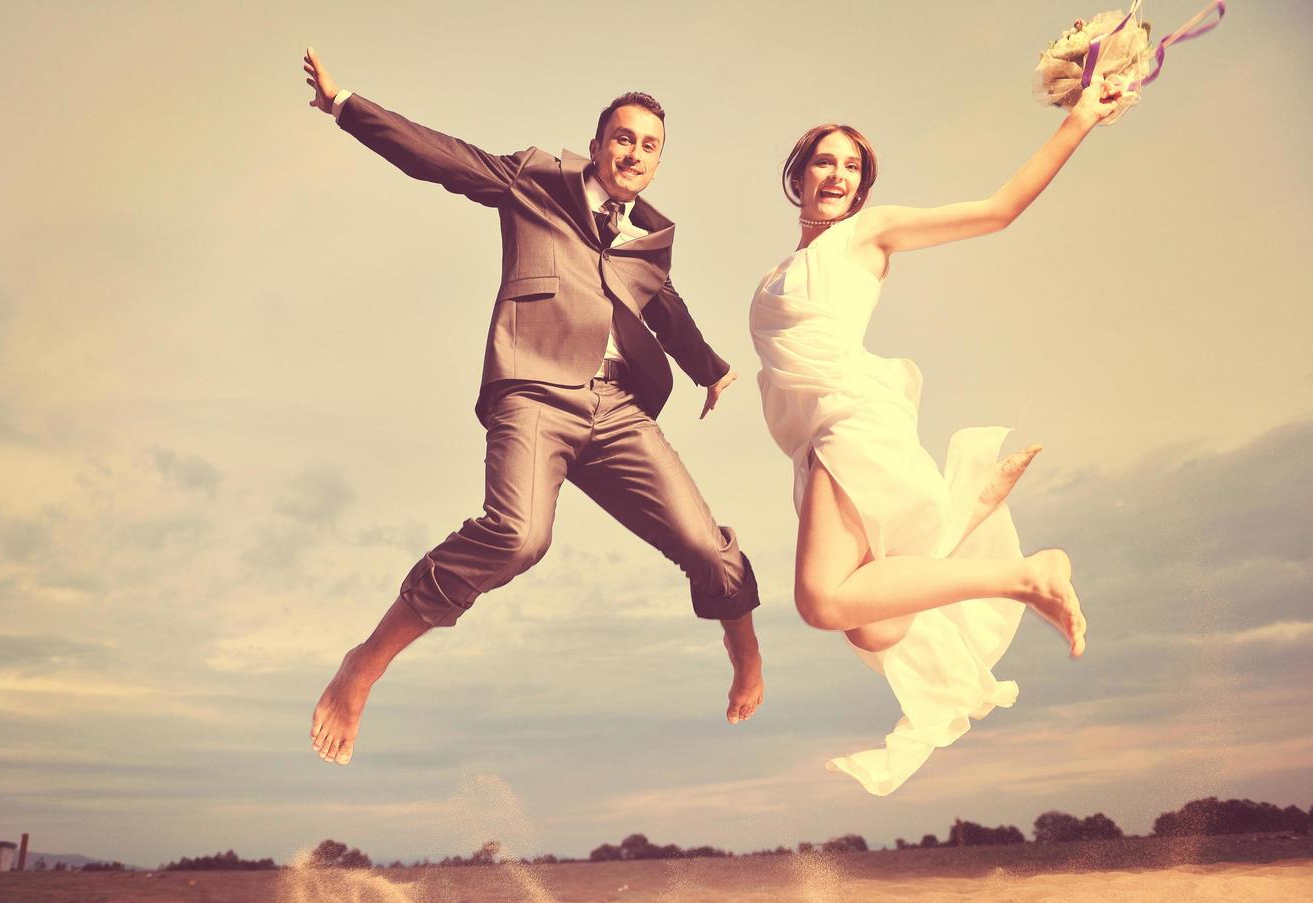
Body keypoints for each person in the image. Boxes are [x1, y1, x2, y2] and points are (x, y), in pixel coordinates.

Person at [301, 48, 764, 766]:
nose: (633, 153)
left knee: (706, 544)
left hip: (614, 408)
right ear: (599, 139)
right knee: (519, 538)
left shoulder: (653, 238)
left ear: (658, 160)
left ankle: (743, 645)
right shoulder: (536, 179)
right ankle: (365, 663)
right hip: (533, 391)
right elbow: (442, 158)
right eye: (623, 137)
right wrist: (346, 106)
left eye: (649, 146)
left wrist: (709, 368)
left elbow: (661, 306)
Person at [749, 76, 1124, 795]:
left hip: (852, 421)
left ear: (861, 192)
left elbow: (998, 210)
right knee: (874, 628)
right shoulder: (777, 272)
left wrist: (1079, 118)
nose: (838, 175)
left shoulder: (869, 233)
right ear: (797, 175)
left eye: (852, 168)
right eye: (825, 162)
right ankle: (964, 516)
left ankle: (1025, 574)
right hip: (817, 440)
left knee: (823, 602)